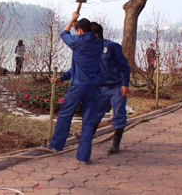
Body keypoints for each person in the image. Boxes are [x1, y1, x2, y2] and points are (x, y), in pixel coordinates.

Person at [46, 12, 103, 164]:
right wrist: (62, 78)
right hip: (94, 87)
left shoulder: (78, 42)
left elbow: (64, 33)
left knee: (65, 114)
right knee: (89, 121)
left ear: (79, 31)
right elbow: (76, 66)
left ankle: (56, 146)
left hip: (79, 86)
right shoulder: (98, 43)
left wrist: (71, 19)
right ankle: (84, 157)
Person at [90, 22, 130, 154]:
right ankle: (87, 137)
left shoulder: (112, 46)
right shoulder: (90, 48)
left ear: (95, 34)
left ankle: (115, 143)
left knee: (118, 113)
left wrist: (125, 83)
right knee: (95, 112)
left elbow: (124, 66)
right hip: (101, 87)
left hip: (116, 86)